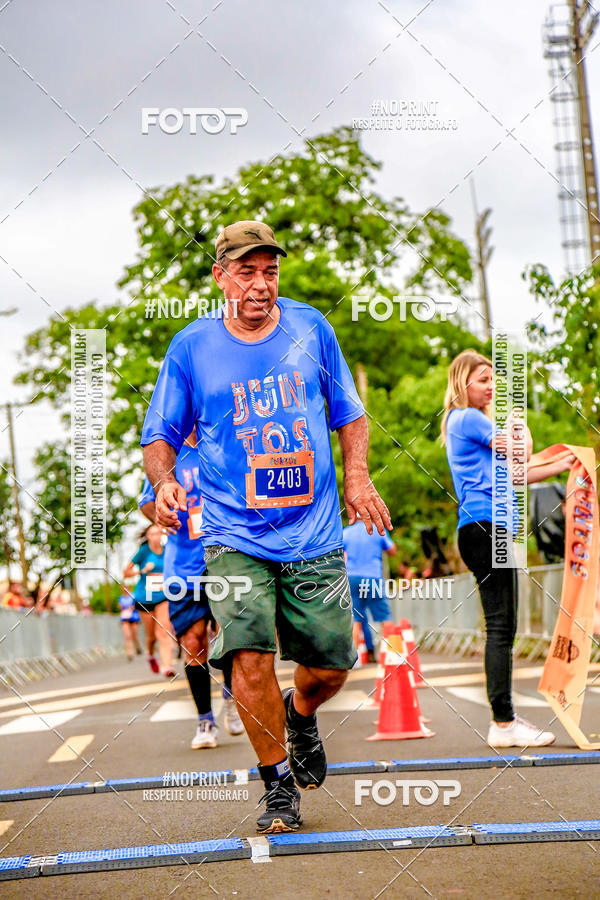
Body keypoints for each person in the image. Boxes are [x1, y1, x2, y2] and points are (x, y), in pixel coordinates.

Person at [141, 220, 391, 833]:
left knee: (331, 666)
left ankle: (299, 713)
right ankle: (277, 785)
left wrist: (358, 478)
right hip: (233, 536)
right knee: (248, 656)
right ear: (220, 276)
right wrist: (164, 482)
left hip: (313, 532)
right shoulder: (191, 347)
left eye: (270, 271)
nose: (261, 284)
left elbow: (350, 414)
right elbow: (159, 435)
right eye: (247, 271)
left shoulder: (311, 328)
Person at [441, 349, 575, 749]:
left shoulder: (470, 425)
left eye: (493, 380)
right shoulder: (467, 418)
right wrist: (519, 422)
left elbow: (518, 471)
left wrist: (566, 463)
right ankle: (503, 722)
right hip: (487, 529)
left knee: (503, 627)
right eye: (483, 380)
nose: (491, 387)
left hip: (485, 529)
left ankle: (505, 720)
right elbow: (521, 452)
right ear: (462, 382)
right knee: (502, 628)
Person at [139, 430, 244, 750]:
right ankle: (205, 720)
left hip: (227, 558)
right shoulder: (168, 455)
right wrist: (163, 516)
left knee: (230, 636)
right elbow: (147, 502)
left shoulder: (224, 441)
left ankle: (231, 697)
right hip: (183, 566)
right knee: (193, 641)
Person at [123, 524, 175, 677]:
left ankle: (167, 666)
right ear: (148, 536)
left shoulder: (167, 550)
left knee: (164, 631)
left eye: (158, 533)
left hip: (163, 596)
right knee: (151, 636)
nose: (156, 536)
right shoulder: (143, 551)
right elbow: (126, 573)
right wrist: (142, 571)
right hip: (144, 597)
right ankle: (150, 654)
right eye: (152, 534)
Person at [343, 518, 396, 662]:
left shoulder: (346, 532)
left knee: (355, 619)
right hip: (373, 578)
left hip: (352, 578)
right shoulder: (378, 530)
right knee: (385, 618)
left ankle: (353, 660)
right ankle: (393, 657)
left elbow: (339, 553)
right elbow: (392, 550)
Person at [117, 584, 142, 660]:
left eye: (126, 587)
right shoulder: (121, 598)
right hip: (125, 618)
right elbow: (119, 607)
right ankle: (129, 653)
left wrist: (132, 607)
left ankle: (137, 647)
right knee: (127, 636)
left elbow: (138, 605)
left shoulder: (133, 596)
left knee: (134, 635)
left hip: (134, 617)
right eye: (124, 588)